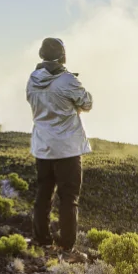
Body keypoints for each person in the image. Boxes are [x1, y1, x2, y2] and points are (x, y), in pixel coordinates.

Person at [26, 37, 92, 262]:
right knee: (68, 198)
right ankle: (67, 249)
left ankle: (41, 241)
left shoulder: (32, 80)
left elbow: (35, 105)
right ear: (63, 55)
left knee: (43, 194)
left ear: (41, 55)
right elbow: (87, 103)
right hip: (67, 149)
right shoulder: (67, 81)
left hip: (43, 147)